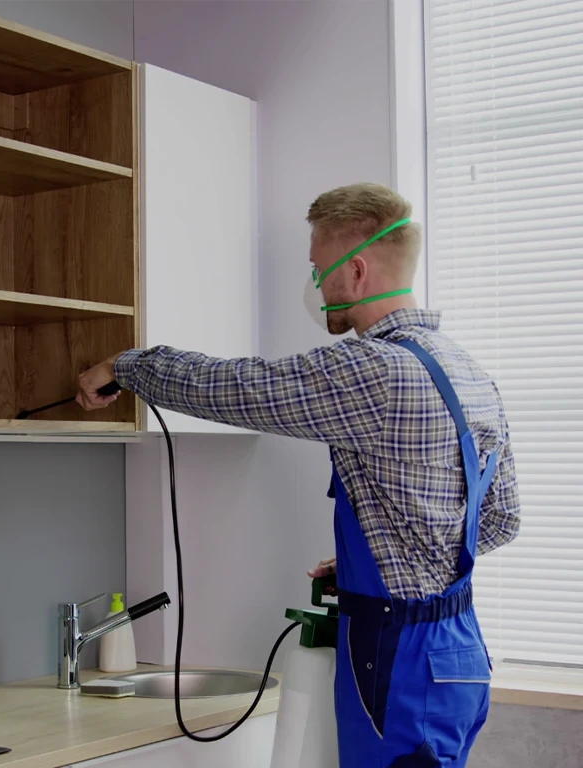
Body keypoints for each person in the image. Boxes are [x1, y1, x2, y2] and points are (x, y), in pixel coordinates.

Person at [76, 182, 521, 768]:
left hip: (399, 661)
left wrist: (126, 365)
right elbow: (497, 519)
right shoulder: (469, 370)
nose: (316, 287)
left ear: (356, 271)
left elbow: (237, 387)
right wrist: (395, 556)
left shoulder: (376, 371)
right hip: (459, 654)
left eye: (319, 270)